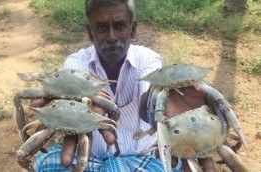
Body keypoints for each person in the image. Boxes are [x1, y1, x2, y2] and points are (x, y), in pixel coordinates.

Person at [31, 0, 216, 171]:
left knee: (176, 161)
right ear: (90, 32)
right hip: (90, 159)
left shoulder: (148, 60)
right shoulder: (76, 64)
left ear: (133, 29)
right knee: (45, 163)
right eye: (102, 28)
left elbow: (149, 101)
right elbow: (71, 102)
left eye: (119, 26)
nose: (111, 37)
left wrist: (159, 106)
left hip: (145, 157)